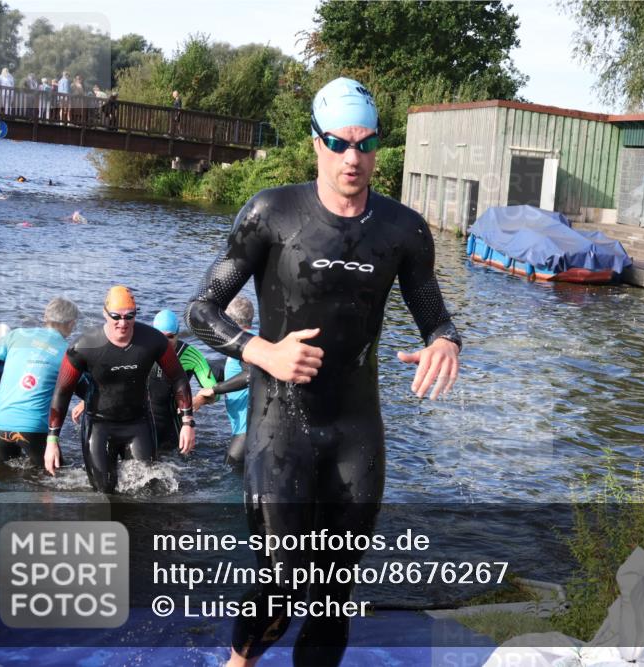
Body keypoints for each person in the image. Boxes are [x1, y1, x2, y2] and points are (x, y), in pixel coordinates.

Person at [186, 76, 461, 667]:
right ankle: (240, 662)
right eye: (338, 143)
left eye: (365, 143)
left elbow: (433, 315)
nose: (351, 158)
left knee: (333, 595)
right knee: (281, 579)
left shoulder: (403, 229)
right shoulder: (271, 213)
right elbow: (201, 311)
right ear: (316, 142)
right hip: (278, 422)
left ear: (379, 146)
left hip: (355, 428)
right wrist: (262, 351)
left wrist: (445, 342)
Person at [46, 286, 195, 492]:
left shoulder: (153, 341)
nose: (123, 323)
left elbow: (178, 378)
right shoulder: (84, 346)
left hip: (139, 423)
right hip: (99, 426)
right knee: (104, 491)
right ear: (105, 313)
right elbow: (62, 391)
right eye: (116, 316)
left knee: (146, 490)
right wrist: (52, 440)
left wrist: (187, 422)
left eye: (129, 316)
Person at [0, 299, 77, 466]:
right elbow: (80, 387)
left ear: (45, 317)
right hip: (34, 427)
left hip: (1, 422)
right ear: (72, 324)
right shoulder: (68, 351)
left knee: (2, 474)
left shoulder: (16, 335)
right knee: (59, 475)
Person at [193, 296, 254, 466]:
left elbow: (250, 375)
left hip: (246, 430)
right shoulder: (255, 340)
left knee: (231, 470)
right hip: (251, 428)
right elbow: (230, 369)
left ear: (229, 321)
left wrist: (215, 389)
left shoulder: (244, 346)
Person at [146, 309, 217, 452]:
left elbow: (216, 391)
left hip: (173, 426)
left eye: (170, 337)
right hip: (143, 425)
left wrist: (199, 400)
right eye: (160, 336)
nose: (165, 342)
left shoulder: (191, 355)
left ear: (178, 334)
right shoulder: (143, 350)